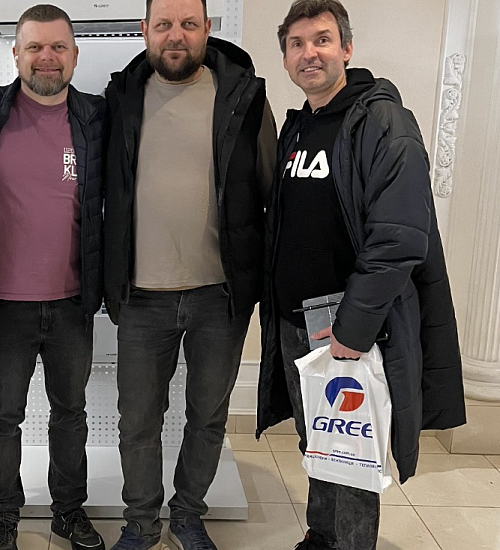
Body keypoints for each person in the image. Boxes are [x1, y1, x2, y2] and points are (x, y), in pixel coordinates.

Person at [257, 1, 467, 549]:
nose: (309, 53)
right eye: (297, 44)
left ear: (346, 48)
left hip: (352, 329)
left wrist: (353, 328)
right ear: (285, 58)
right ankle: (321, 535)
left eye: (322, 40)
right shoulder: (298, 127)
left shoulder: (382, 122)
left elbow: (399, 238)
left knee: (353, 455)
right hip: (298, 324)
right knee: (317, 444)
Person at [103, 0, 276, 548]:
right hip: (141, 296)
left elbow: (271, 191)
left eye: (188, 24)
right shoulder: (119, 98)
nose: (175, 35)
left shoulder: (245, 97)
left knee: (207, 417)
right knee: (138, 422)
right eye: (163, 25)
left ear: (207, 29)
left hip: (219, 297)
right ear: (145, 31)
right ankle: (140, 523)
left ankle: (187, 516)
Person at [0, 5, 106, 550]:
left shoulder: (95, 117)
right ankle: (4, 519)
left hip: (71, 302)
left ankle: (68, 512)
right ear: (15, 53)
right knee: (3, 418)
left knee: (71, 415)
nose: (47, 57)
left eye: (58, 47)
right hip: (2, 303)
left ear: (74, 55)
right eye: (35, 46)